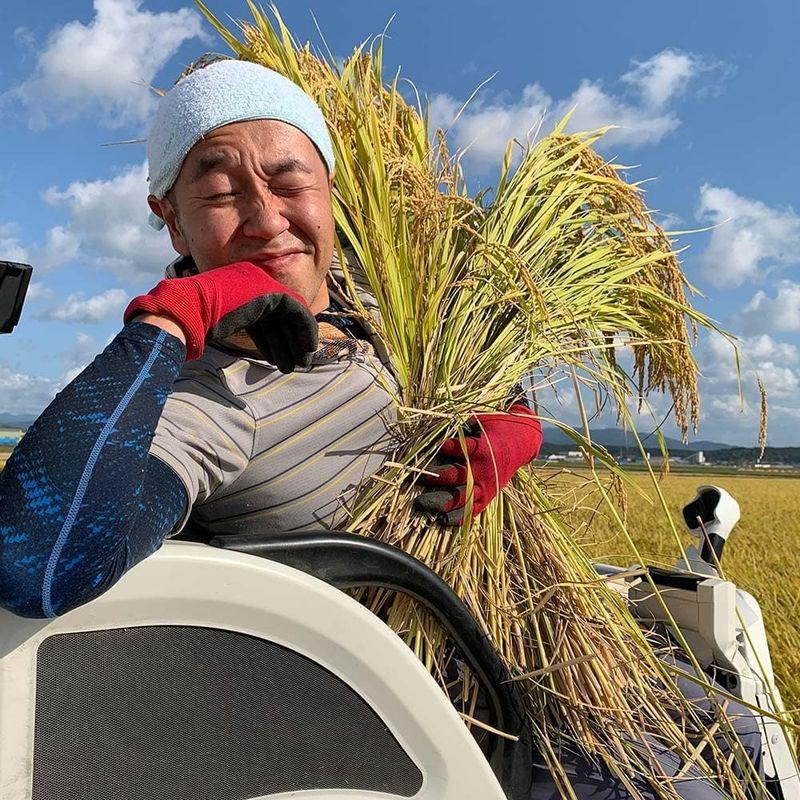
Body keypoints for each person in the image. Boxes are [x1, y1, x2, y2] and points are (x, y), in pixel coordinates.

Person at [0, 58, 758, 799]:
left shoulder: (387, 313)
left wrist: (514, 433)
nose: (267, 219)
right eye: (221, 193)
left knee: (741, 733)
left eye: (290, 178)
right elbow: (37, 565)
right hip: (428, 723)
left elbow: (498, 388)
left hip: (526, 639)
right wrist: (173, 316)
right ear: (169, 217)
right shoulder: (207, 406)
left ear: (330, 188)